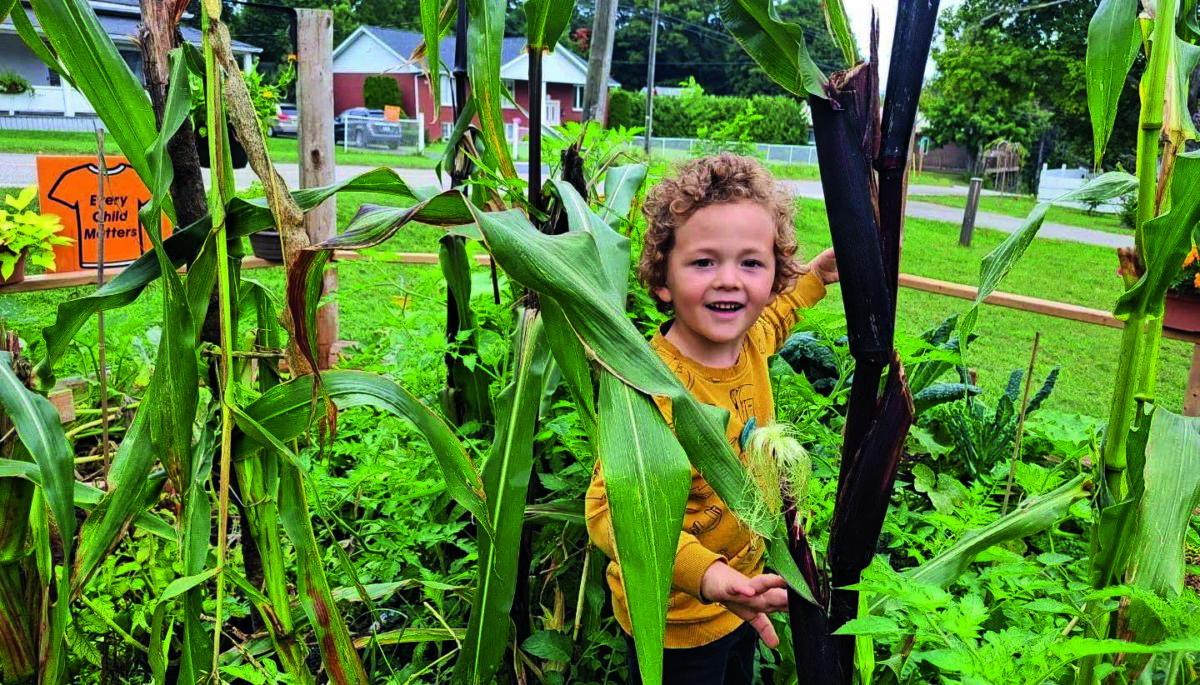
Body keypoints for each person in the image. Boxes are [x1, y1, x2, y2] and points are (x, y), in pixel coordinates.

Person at [585, 153, 839, 685]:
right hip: (675, 617)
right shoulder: (651, 388)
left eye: (751, 263)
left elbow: (778, 314)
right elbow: (609, 511)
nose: (729, 281)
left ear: (774, 275)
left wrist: (816, 276)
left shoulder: (750, 342)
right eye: (703, 263)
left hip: (743, 597)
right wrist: (709, 576)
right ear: (662, 279)